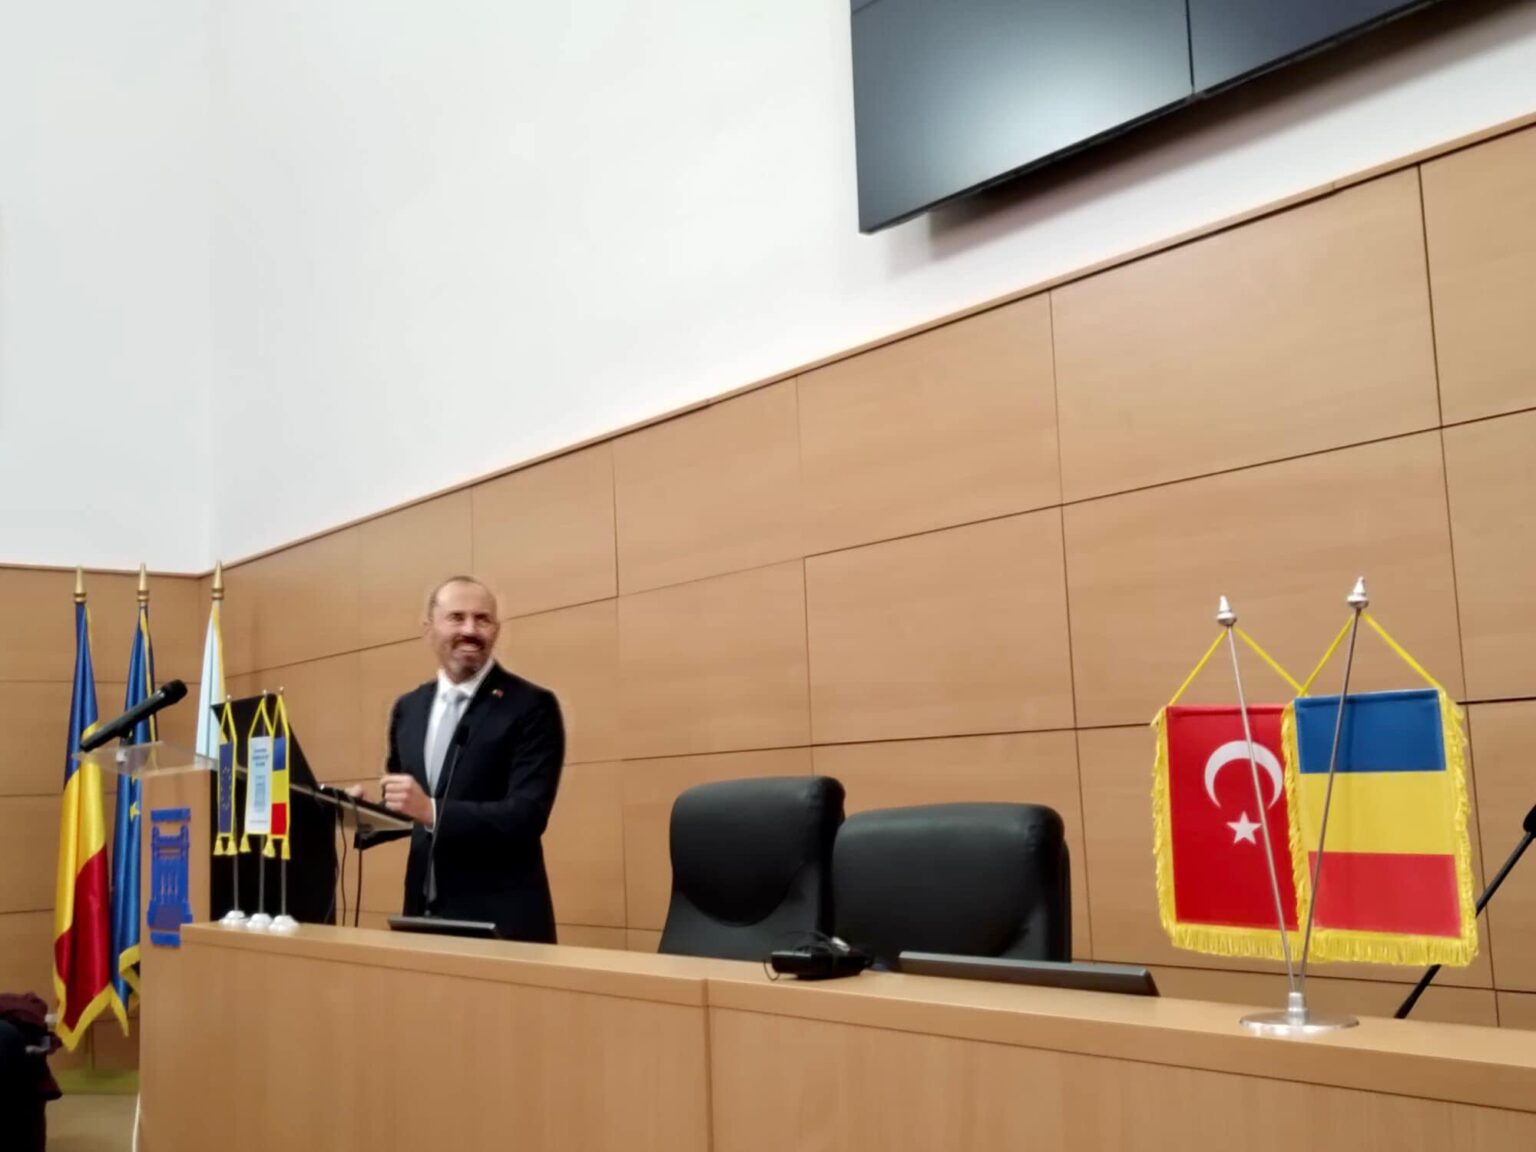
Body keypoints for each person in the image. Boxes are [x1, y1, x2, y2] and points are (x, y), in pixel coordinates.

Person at [353, 575, 565, 942]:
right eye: (456, 617)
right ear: (428, 627)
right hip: (422, 918)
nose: (470, 630)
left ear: (496, 630)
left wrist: (431, 810)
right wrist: (365, 816)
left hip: (501, 924)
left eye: (482, 619)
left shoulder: (531, 706)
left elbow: (526, 815)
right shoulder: (409, 709)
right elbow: (411, 810)